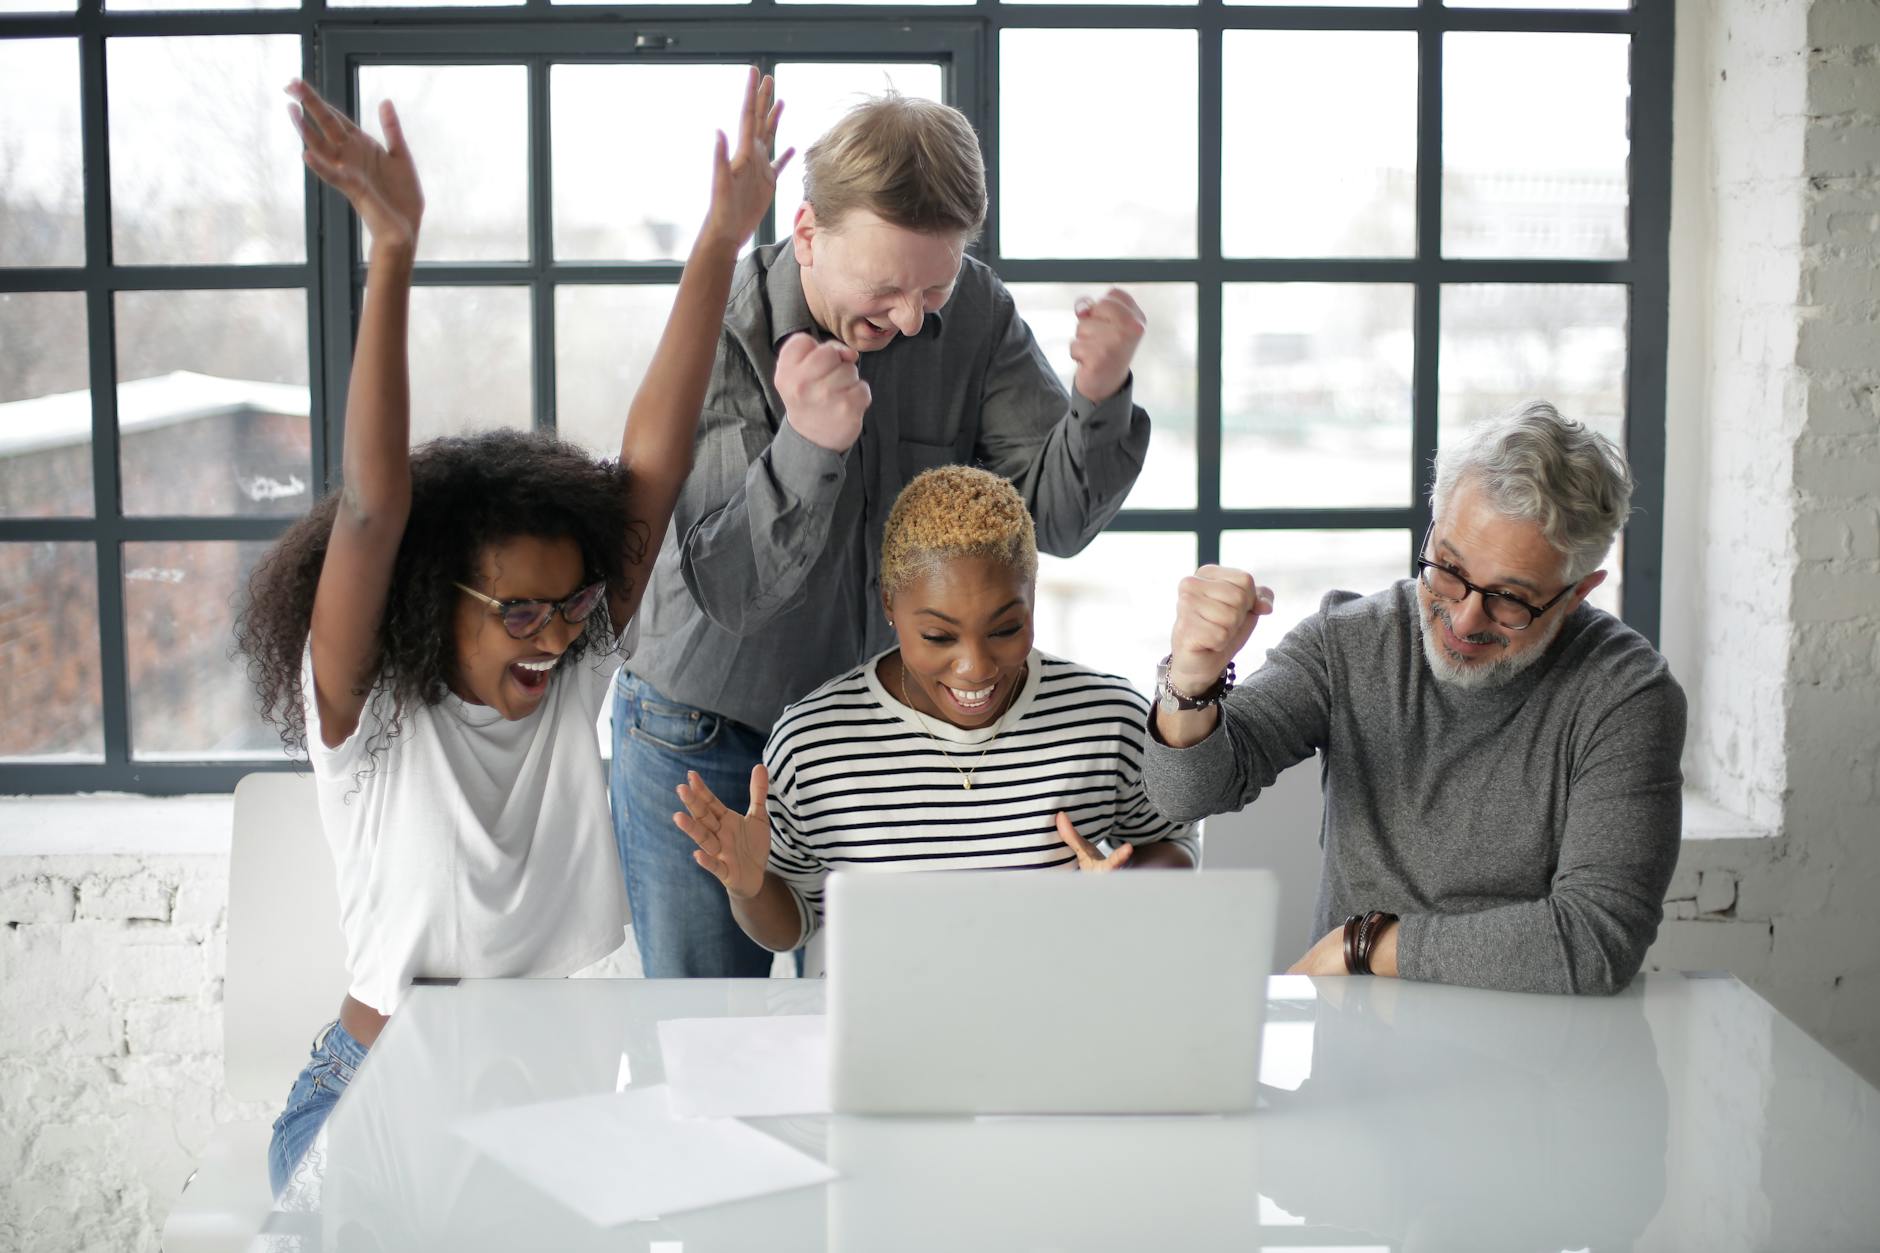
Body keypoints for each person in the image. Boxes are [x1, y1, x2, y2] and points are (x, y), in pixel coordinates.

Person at [234, 70, 792, 1193]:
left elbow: (652, 458)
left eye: (573, 603)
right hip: (375, 1093)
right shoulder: (369, 715)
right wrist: (391, 249)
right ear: (434, 596)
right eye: (519, 611)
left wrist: (724, 236)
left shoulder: (575, 667)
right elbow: (375, 506)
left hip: (557, 1108)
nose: (550, 636)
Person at [613, 92, 1155, 976]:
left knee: (874, 1021)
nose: (911, 319)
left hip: (866, 741)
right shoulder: (726, 323)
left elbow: (1051, 520)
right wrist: (809, 445)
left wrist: (1098, 396)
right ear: (809, 231)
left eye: (932, 286)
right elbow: (732, 589)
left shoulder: (974, 312)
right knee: (708, 1035)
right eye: (886, 288)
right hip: (707, 728)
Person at [1144, 401, 1685, 994]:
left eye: (1510, 597)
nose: (1464, 617)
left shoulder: (1626, 694)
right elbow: (1185, 794)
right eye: (1449, 567)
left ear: (1578, 592)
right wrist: (1191, 680)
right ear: (1433, 527)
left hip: (1538, 1048)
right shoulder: (1350, 638)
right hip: (1356, 1053)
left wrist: (1367, 944)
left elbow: (1597, 940)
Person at [671, 466, 1196, 954]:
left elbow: (1173, 844)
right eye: (939, 636)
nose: (975, 667)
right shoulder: (815, 742)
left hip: (1054, 1025)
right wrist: (749, 887)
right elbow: (795, 925)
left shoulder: (1106, 718)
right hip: (886, 1035)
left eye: (1006, 629)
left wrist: (1123, 892)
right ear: (889, 605)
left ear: (1032, 596)